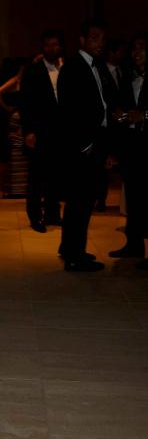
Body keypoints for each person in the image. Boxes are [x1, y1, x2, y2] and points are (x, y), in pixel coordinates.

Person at [58, 18, 117, 271]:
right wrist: (84, 146)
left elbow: (105, 102)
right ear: (82, 40)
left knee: (84, 201)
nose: (100, 43)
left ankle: (70, 248)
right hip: (81, 147)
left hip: (96, 142)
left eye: (103, 39)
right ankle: (74, 256)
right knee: (79, 202)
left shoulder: (100, 66)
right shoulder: (72, 67)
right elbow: (68, 111)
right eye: (94, 38)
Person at [109, 33, 148, 266]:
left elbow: (143, 112)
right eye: (134, 48)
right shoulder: (126, 77)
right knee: (133, 197)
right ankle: (134, 245)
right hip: (132, 145)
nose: (136, 52)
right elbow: (119, 106)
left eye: (142, 47)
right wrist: (119, 115)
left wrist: (145, 115)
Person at [20, 30, 64, 232]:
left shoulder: (67, 68)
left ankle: (53, 214)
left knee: (57, 175)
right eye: (48, 45)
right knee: (37, 177)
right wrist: (28, 131)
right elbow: (26, 102)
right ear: (42, 47)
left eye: (55, 45)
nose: (51, 49)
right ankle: (35, 216)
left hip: (61, 131)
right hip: (39, 131)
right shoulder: (33, 70)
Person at [0, 58, 29, 199]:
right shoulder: (17, 80)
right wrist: (7, 108)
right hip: (19, 117)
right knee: (17, 151)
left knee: (19, 152)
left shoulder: (19, 80)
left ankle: (18, 187)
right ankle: (17, 187)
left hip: (19, 116)